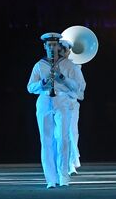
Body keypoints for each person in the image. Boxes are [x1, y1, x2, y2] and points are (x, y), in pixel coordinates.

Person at [27, 32, 84, 188]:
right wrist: (43, 83)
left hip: (63, 100)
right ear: (45, 46)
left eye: (54, 45)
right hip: (45, 100)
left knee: (63, 138)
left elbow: (78, 87)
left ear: (59, 46)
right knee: (46, 140)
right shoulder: (39, 65)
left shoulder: (69, 65)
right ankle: (51, 179)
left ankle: (63, 176)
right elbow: (30, 87)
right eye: (49, 45)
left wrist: (62, 78)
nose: (52, 48)